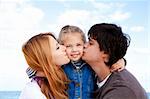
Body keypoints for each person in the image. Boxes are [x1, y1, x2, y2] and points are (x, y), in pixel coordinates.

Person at [25, 25, 126, 99]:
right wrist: (36, 69)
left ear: (84, 45)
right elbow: (36, 66)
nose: (74, 50)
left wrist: (120, 60)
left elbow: (104, 60)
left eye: (78, 45)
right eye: (69, 46)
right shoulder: (63, 65)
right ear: (63, 46)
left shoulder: (89, 63)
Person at [82, 23, 148, 99]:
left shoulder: (121, 90)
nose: (84, 45)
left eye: (90, 43)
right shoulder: (93, 73)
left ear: (106, 54)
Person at [19, 33, 70, 99]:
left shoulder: (58, 76)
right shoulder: (33, 93)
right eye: (57, 48)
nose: (64, 47)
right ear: (45, 58)